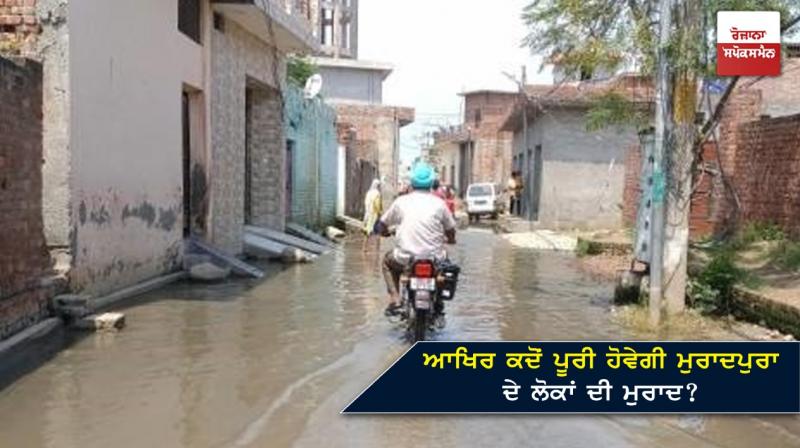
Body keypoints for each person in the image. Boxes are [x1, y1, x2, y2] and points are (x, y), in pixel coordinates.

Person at [373, 163, 457, 316]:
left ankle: (395, 300)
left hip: (405, 258)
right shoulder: (439, 204)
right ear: (432, 183)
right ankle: (438, 301)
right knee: (445, 265)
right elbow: (451, 229)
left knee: (387, 262)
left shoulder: (401, 202)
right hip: (433, 258)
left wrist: (383, 232)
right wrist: (451, 239)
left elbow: (382, 224)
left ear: (411, 182)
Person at [362, 179, 382, 252]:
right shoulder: (377, 193)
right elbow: (377, 204)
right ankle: (376, 249)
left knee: (367, 232)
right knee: (377, 231)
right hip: (374, 214)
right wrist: (379, 213)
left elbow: (366, 203)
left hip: (367, 213)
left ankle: (364, 248)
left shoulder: (368, 193)